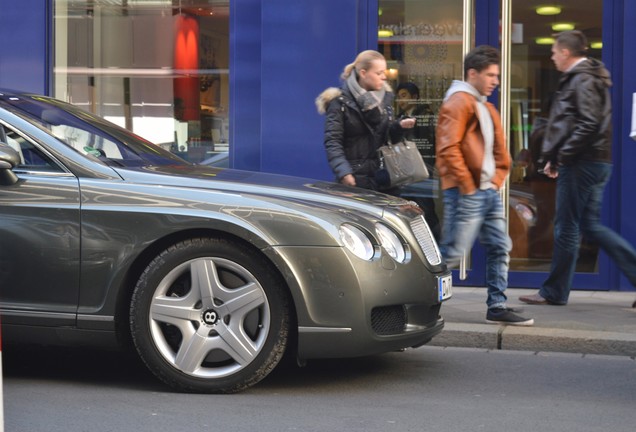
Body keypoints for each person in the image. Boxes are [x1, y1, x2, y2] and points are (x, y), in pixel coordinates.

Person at [519, 30, 636, 307]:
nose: (552, 56)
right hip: (593, 161)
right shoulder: (586, 78)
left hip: (583, 163)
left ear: (566, 53)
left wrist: (562, 156)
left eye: (554, 52)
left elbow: (588, 124)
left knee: (567, 227)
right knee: (590, 226)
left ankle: (553, 292)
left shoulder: (581, 79)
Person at [436, 45, 534, 326]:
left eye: (497, 75)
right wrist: (468, 185)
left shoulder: (483, 104)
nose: (496, 81)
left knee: (500, 246)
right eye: (491, 75)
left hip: (486, 191)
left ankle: (497, 306)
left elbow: (498, 151)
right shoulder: (458, 102)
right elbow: (448, 148)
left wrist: (497, 179)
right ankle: (414, 299)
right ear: (472, 73)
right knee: (452, 253)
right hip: (468, 192)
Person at [315, 50, 415, 192]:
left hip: (384, 178)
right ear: (363, 73)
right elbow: (333, 141)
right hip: (355, 180)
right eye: (379, 73)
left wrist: (399, 127)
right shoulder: (340, 102)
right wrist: (344, 172)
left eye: (384, 72)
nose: (384, 77)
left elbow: (387, 138)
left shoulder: (384, 99)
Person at [395, 82, 441, 240]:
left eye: (404, 96)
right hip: (406, 173)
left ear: (415, 97)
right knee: (410, 209)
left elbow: (428, 145)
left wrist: (425, 169)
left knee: (426, 209)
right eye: (399, 97)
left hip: (422, 171)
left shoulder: (425, 115)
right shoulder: (400, 118)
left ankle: (436, 243)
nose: (401, 100)